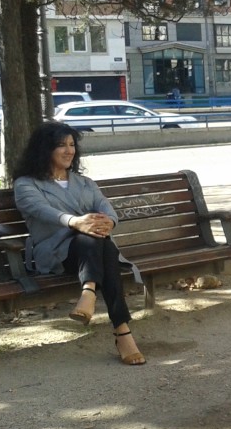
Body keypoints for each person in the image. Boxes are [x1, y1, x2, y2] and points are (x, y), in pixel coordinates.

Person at [12, 121, 145, 366]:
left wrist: (109, 223)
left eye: (72, 145)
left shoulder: (84, 183)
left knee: (95, 239)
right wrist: (75, 221)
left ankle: (89, 293)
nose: (69, 150)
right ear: (44, 150)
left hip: (92, 253)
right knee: (96, 240)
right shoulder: (26, 184)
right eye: (61, 145)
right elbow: (42, 211)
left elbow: (108, 210)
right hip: (55, 253)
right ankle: (122, 332)